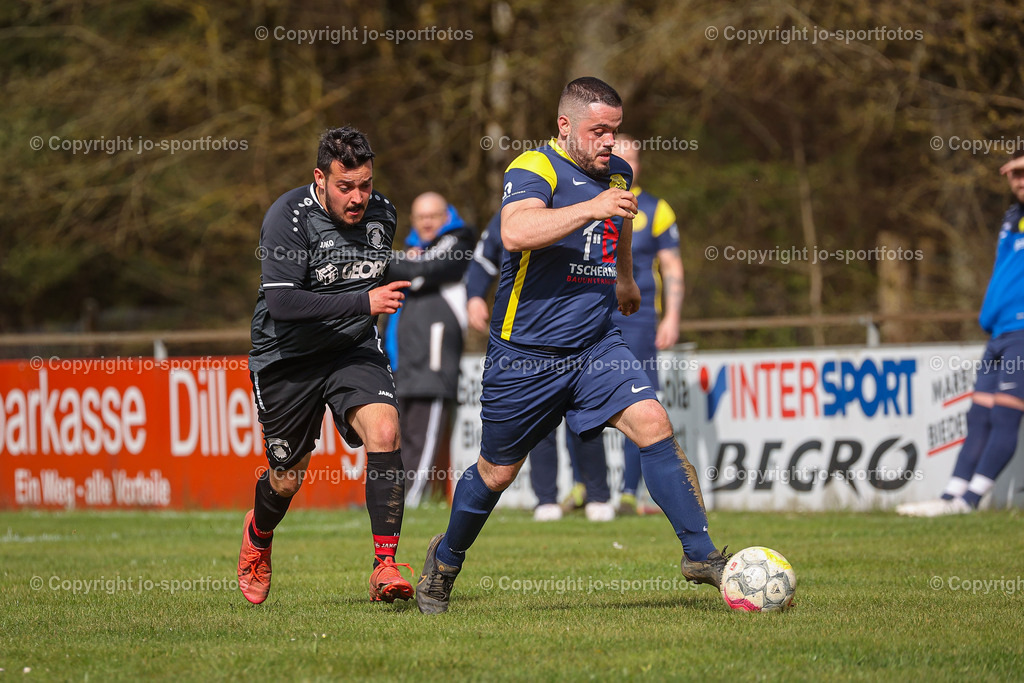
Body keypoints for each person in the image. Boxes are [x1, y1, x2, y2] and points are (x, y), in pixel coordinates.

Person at [416, 77, 730, 615]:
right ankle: (444, 561)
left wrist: (627, 278)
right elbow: (515, 231)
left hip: (594, 344)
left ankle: (700, 555)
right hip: (525, 355)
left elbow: (622, 220)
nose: (609, 141)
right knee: (497, 472)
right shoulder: (534, 168)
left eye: (615, 130)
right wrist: (591, 207)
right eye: (598, 131)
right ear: (565, 126)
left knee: (653, 424)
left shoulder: (617, 174)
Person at [239, 127, 415, 605]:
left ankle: (385, 565)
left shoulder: (384, 213)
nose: (358, 198)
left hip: (350, 349)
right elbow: (283, 304)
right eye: (345, 186)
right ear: (320, 178)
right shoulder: (287, 217)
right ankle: (258, 535)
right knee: (287, 477)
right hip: (287, 356)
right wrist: (365, 301)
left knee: (384, 431)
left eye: (366, 184)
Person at [897, 150, 1024, 517]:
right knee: (979, 416)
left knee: (1005, 417)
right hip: (1000, 332)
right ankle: (952, 495)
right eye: (1013, 174)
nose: (1018, 180)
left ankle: (971, 499)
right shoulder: (1012, 217)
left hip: (1022, 333)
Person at [466, 213, 615, 522]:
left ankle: (598, 494)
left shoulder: (581, 209)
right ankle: (545, 498)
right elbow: (483, 258)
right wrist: (474, 296)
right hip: (530, 337)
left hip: (579, 334)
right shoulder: (513, 213)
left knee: (586, 417)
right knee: (538, 423)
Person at [610, 135, 685, 516]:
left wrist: (671, 316)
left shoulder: (656, 209)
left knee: (637, 399)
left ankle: (627, 491)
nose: (627, 163)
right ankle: (584, 488)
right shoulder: (588, 201)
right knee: (573, 398)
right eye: (617, 156)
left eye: (633, 158)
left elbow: (672, 267)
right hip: (591, 312)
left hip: (639, 320)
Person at [385, 192, 475, 507]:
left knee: (423, 436)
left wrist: (386, 264)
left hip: (433, 364)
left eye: (432, 216)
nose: (426, 223)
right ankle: (391, 500)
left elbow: (422, 272)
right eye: (420, 217)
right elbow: (412, 272)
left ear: (446, 215)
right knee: (398, 437)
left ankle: (410, 500)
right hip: (402, 362)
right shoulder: (412, 250)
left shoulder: (459, 242)